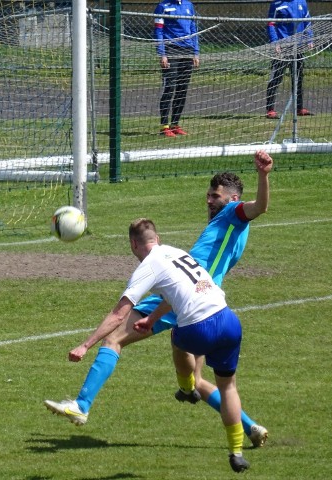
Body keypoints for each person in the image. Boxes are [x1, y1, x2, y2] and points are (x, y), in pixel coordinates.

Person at [45, 150, 273, 449]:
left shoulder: (234, 214)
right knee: (200, 379)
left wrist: (263, 175)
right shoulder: (233, 231)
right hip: (210, 305)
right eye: (208, 195)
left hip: (184, 299)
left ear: (231, 200)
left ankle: (82, 405)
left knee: (113, 339)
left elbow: (258, 207)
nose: (208, 200)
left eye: (215, 196)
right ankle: (249, 426)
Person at [128, 219, 251, 472]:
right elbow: (180, 294)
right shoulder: (181, 255)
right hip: (229, 321)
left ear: (133, 244)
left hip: (199, 328)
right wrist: (152, 318)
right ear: (158, 238)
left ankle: (187, 388)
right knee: (228, 388)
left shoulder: (154, 263)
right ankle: (236, 452)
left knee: (178, 339)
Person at [154, 0, 199, 137]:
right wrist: (162, 53)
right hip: (170, 50)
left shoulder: (189, 5)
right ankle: (164, 126)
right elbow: (158, 31)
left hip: (187, 50)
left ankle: (175, 123)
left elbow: (193, 29)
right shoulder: (162, 6)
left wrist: (195, 52)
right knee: (169, 88)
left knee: (182, 89)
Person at [265, 0, 314, 119]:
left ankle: (299, 108)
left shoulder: (302, 2)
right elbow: (271, 24)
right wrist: (275, 42)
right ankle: (270, 109)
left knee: (298, 77)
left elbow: (307, 21)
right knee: (276, 78)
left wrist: (309, 39)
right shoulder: (276, 4)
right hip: (282, 48)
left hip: (298, 47)